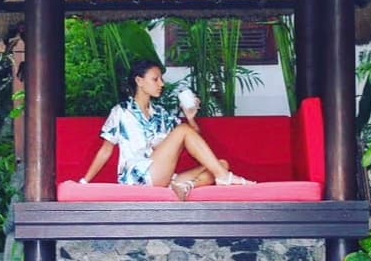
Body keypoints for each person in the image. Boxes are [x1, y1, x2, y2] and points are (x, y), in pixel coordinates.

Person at [78, 60, 253, 200]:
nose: (161, 84)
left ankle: (186, 186)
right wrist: (84, 182)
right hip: (138, 177)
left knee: (220, 164)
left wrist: (190, 117)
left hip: (163, 176)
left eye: (161, 79)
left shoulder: (161, 114)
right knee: (187, 135)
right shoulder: (121, 112)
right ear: (139, 81)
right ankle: (224, 177)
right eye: (155, 79)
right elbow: (105, 150)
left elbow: (192, 140)